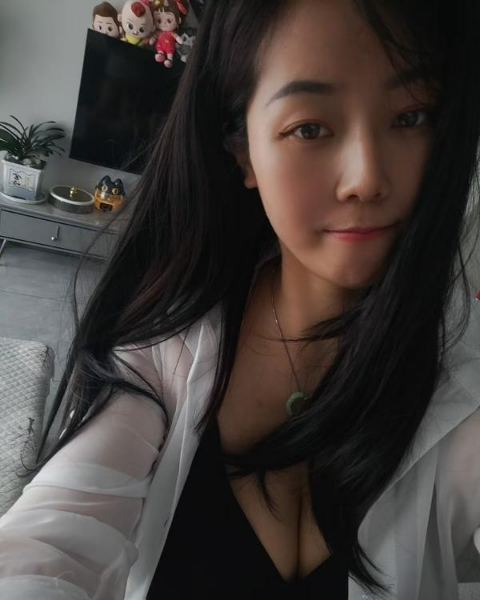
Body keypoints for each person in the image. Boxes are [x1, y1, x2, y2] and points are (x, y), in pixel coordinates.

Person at [1, 0, 480, 598]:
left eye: (411, 117)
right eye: (310, 127)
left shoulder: (464, 385)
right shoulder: (165, 346)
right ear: (243, 150)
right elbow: (52, 541)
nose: (366, 177)